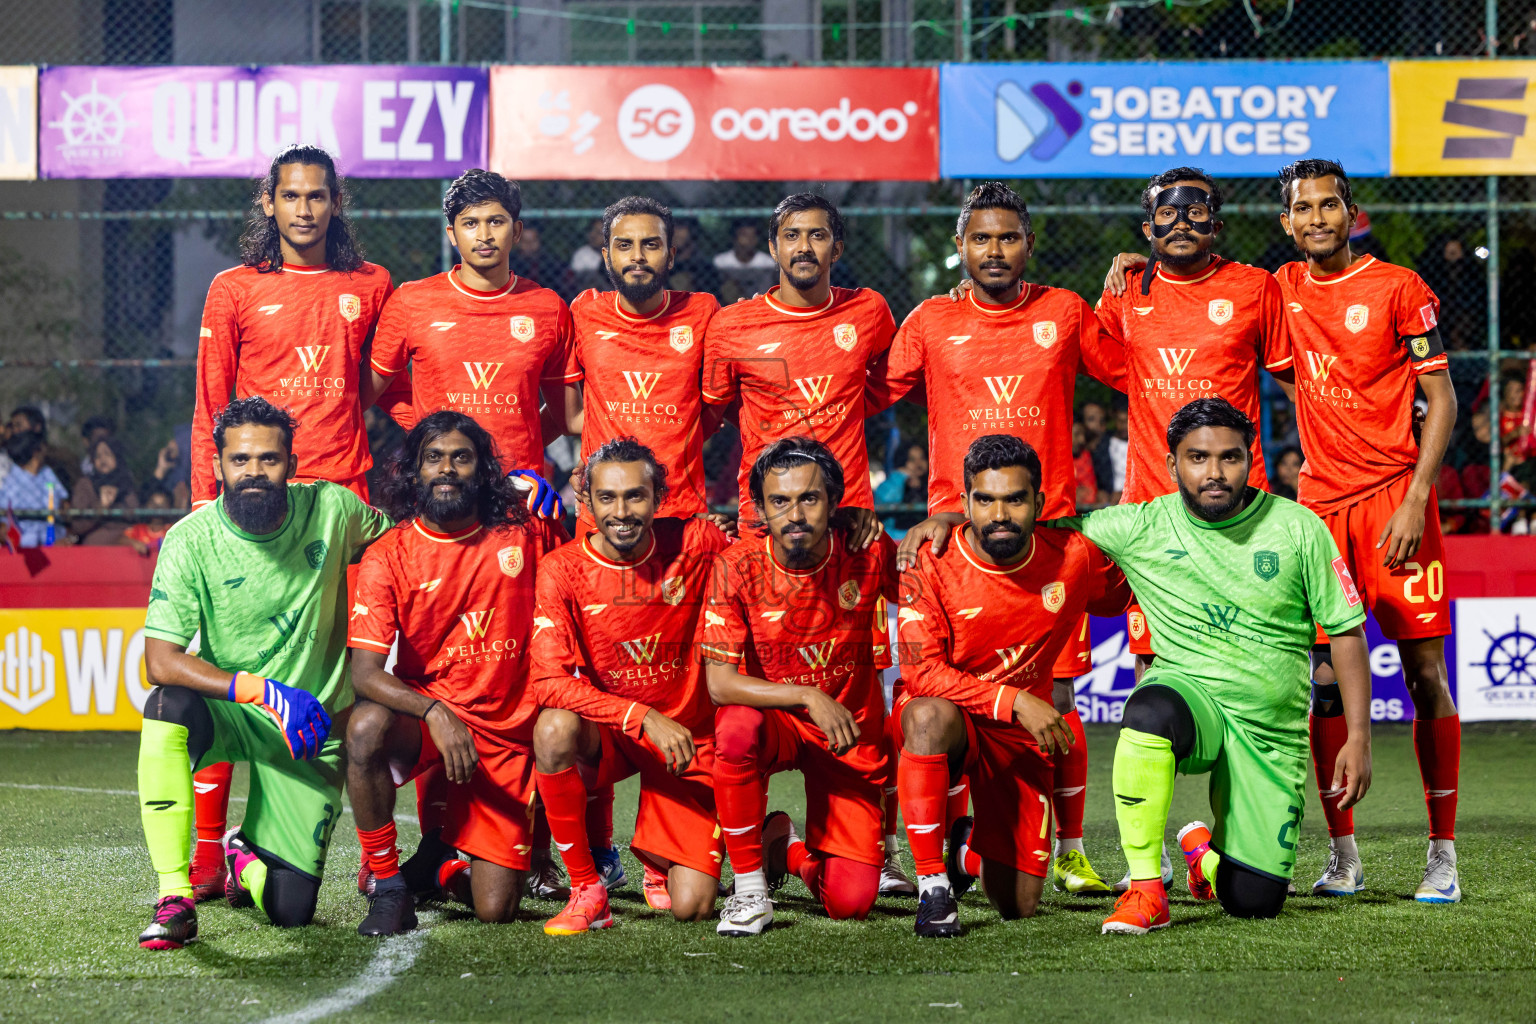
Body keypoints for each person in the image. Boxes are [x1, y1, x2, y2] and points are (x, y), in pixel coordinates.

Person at [875, 181, 1127, 894]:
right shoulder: (929, 321)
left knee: (1064, 695)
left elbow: (1129, 364)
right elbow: (867, 392)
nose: (994, 250)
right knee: (945, 696)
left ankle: (1071, 847)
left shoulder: (1064, 311)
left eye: (1008, 236)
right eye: (980, 238)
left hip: (1047, 534)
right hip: (958, 534)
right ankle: (946, 838)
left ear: (1029, 245)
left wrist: (1140, 287)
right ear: (960, 246)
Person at [1049, 398, 1372, 933]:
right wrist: (945, 520)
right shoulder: (1140, 526)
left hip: (1269, 734)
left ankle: (1203, 855)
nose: (1215, 474)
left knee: (1254, 901)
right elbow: (1031, 524)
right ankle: (1147, 891)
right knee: (1148, 709)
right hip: (1191, 703)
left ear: (1251, 459)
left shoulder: (1298, 527)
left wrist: (1357, 736)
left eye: (1230, 458)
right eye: (1198, 459)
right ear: (1173, 464)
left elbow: (1345, 632)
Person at [186, 144, 396, 901]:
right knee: (229, 679)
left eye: (318, 196)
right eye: (291, 196)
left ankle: (378, 859)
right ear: (268, 204)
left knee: (342, 690)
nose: (305, 209)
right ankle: (208, 856)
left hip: (338, 512)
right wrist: (201, 512)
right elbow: (212, 407)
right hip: (250, 516)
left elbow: (383, 387)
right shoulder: (233, 288)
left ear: (336, 203)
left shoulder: (371, 286)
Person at [134, 397, 392, 949]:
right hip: (238, 710)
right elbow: (159, 662)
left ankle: (240, 853)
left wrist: (501, 505)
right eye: (241, 460)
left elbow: (409, 548)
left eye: (269, 460)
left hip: (311, 733)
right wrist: (262, 690)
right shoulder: (190, 539)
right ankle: (173, 896)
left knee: (290, 910)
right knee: (166, 706)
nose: (254, 472)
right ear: (219, 466)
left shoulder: (334, 509)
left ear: (292, 466)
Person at [1273, 158, 1462, 903]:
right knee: (1321, 684)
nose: (1318, 218)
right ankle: (1343, 855)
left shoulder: (1399, 288)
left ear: (1352, 213)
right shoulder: (1282, 291)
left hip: (1397, 504)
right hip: (1321, 514)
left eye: (1330, 205)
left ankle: (1442, 854)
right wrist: (1135, 263)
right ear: (1286, 223)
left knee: (1425, 676)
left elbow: (1439, 399)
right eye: (1303, 209)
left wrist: (1418, 494)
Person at [894, 435, 1132, 937]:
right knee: (925, 714)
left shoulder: (1074, 557)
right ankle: (933, 885)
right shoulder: (929, 561)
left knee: (1019, 902)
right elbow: (921, 674)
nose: (999, 513)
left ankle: (965, 849)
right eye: (985, 500)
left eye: (1015, 499)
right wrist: (1016, 699)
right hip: (957, 720)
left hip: (1017, 739)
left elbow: (1128, 592)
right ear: (964, 504)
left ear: (1040, 504)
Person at [344, 411, 564, 935]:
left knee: (496, 909)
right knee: (365, 727)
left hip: (508, 732)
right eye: (434, 458)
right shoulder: (389, 553)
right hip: (431, 720)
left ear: (482, 468)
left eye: (461, 457)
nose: (447, 469)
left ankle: (439, 867)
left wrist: (560, 501)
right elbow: (366, 674)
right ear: (414, 472)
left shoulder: (525, 533)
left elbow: (584, 568)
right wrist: (435, 711)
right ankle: (387, 883)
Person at [530, 438, 731, 933]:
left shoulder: (700, 541)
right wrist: (641, 717)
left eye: (635, 496)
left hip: (689, 741)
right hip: (620, 735)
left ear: (659, 497)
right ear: (587, 502)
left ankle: (681, 850)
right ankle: (587, 888)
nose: (621, 512)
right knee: (554, 730)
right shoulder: (561, 569)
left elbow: (767, 554)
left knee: (694, 907)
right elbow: (549, 682)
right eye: (606, 498)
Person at [703, 437, 896, 936]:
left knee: (850, 902)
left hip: (847, 734)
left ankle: (784, 846)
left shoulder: (868, 549)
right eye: (779, 501)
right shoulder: (736, 564)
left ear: (834, 503)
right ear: (761, 509)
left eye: (809, 498)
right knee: (734, 729)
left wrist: (932, 526)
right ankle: (749, 890)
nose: (794, 513)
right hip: (781, 722)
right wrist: (808, 695)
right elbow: (720, 685)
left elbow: (930, 585)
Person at [702, 193, 892, 547]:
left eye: (817, 235)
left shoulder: (869, 310)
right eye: (791, 236)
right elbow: (708, 416)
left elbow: (892, 381)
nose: (803, 246)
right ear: (773, 249)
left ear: (836, 249)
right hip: (764, 516)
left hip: (849, 516)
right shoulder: (730, 326)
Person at [368, 169, 579, 482]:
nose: (484, 234)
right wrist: (425, 427)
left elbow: (567, 416)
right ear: (452, 234)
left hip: (518, 485)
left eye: (496, 221)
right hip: (440, 485)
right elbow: (373, 389)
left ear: (517, 230)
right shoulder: (411, 300)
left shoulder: (548, 307)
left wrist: (523, 445)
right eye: (470, 223)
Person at [566, 196, 724, 522]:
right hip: (603, 514)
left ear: (671, 256)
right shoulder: (584, 312)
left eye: (650, 245)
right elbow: (571, 416)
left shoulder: (704, 311)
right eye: (624, 245)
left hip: (681, 510)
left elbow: (713, 410)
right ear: (607, 255)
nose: (637, 256)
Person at [0, 427, 68, 548]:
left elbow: (64, 504)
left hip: (54, 541)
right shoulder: (12, 482)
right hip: (24, 547)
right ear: (36, 452)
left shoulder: (47, 473)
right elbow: (4, 525)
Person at [71, 436, 139, 547]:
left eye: (107, 454)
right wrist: (101, 507)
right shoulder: (85, 485)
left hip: (127, 546)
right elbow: (78, 526)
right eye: (98, 456)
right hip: (95, 549)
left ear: (117, 457)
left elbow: (136, 517)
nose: (103, 460)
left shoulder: (126, 484)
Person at [713, 218, 778, 301]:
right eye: (744, 235)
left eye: (753, 235)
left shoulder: (767, 262)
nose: (749, 239)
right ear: (735, 238)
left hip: (759, 302)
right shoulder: (721, 261)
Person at [667, 219, 720, 297]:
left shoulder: (705, 267)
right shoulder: (664, 265)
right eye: (672, 229)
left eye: (680, 228)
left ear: (692, 231)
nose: (675, 233)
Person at [123, 488, 173, 556]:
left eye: (162, 505)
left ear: (168, 507)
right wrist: (133, 543)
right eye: (153, 504)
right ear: (147, 506)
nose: (157, 509)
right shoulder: (138, 529)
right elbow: (120, 539)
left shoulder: (172, 529)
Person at [568, 217, 608, 295]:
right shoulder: (582, 254)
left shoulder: (614, 254)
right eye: (591, 230)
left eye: (599, 233)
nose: (593, 235)